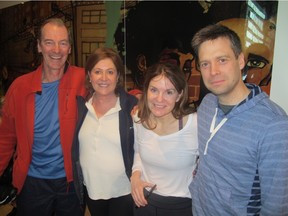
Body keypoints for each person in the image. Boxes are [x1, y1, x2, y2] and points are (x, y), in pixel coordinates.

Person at [189, 24, 288, 215]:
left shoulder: (274, 125)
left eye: (222, 60)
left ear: (241, 60)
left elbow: (276, 206)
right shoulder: (207, 105)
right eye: (205, 63)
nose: (213, 71)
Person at [0, 18, 87, 216]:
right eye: (49, 42)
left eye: (63, 43)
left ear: (69, 48)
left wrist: (137, 98)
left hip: (71, 183)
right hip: (32, 182)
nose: (56, 50)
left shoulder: (83, 79)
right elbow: (5, 138)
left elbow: (110, 87)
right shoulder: (20, 88)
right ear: (39, 46)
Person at [71, 47, 138, 216]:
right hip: (92, 190)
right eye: (97, 71)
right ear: (89, 76)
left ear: (118, 76)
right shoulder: (81, 106)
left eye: (110, 72)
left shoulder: (131, 106)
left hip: (123, 191)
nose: (104, 78)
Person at [131, 62, 198, 216]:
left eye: (169, 92)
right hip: (144, 201)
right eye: (154, 90)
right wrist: (135, 176)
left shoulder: (194, 124)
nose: (159, 99)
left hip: (181, 206)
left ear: (179, 95)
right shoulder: (138, 118)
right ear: (146, 90)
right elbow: (138, 151)